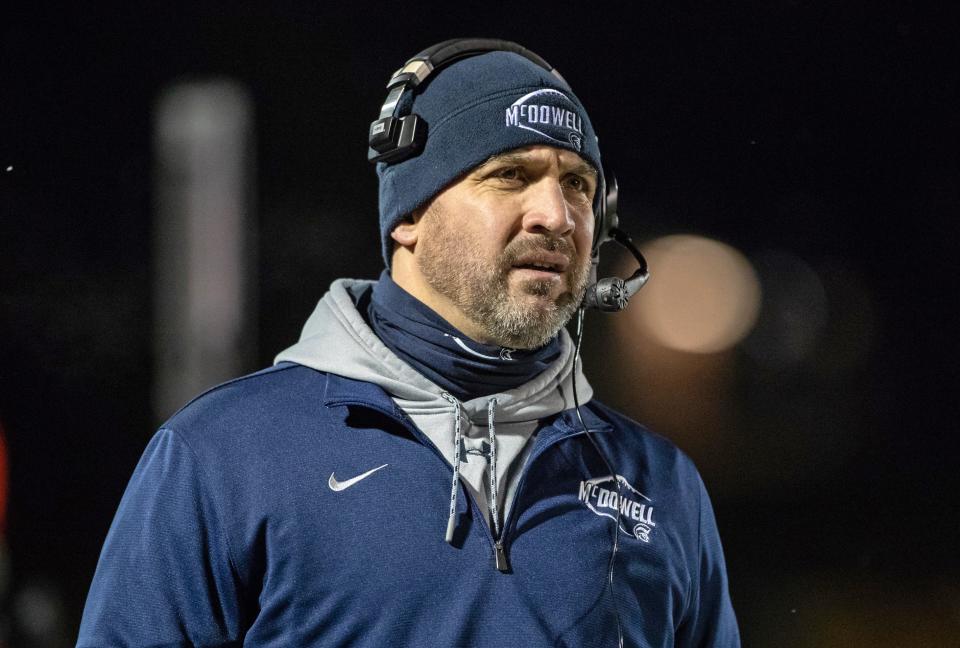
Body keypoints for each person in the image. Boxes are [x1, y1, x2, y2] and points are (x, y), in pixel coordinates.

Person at [78, 40, 740, 647]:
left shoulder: (661, 485)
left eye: (580, 185)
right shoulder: (223, 456)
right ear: (410, 216)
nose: (558, 215)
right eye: (510, 175)